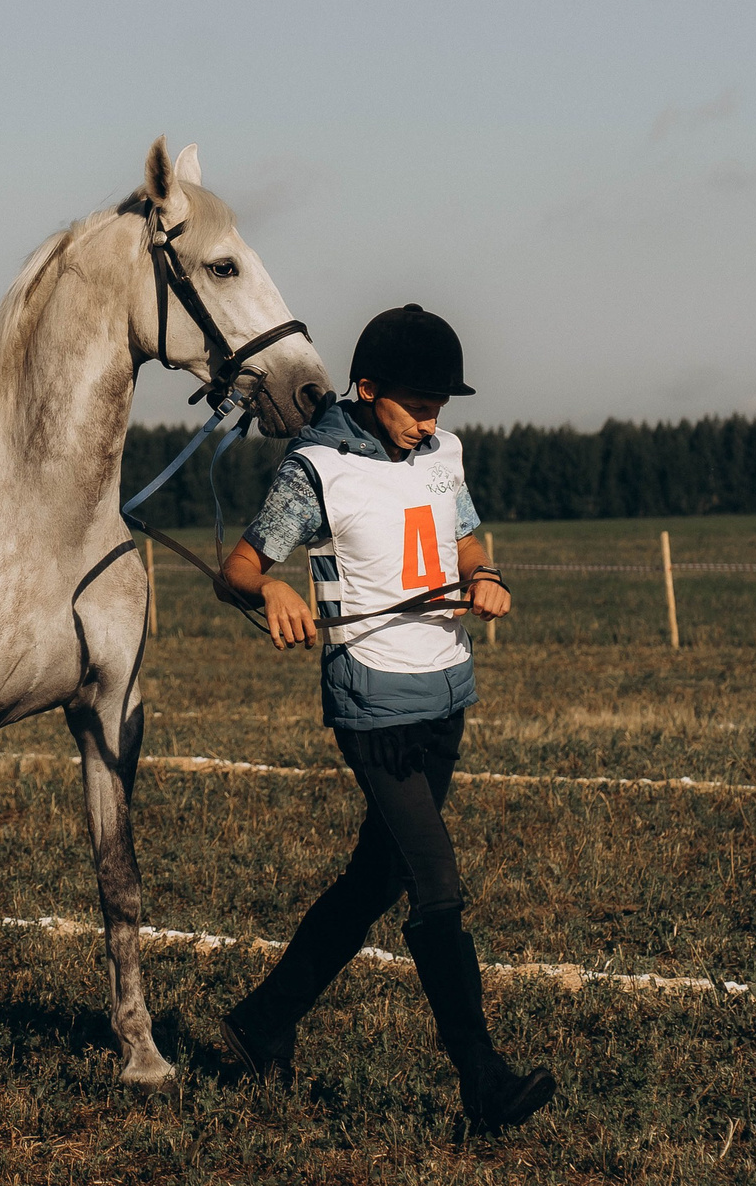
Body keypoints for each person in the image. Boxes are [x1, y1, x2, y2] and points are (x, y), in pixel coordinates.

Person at [215, 303, 556, 1133]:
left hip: (447, 695)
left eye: (439, 406)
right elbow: (239, 566)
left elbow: (466, 540)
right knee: (435, 882)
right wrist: (272, 590)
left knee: (376, 877)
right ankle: (482, 1079)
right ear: (367, 390)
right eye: (416, 405)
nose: (429, 421)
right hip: (373, 706)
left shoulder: (444, 453)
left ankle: (261, 1021)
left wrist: (485, 577)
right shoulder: (317, 467)